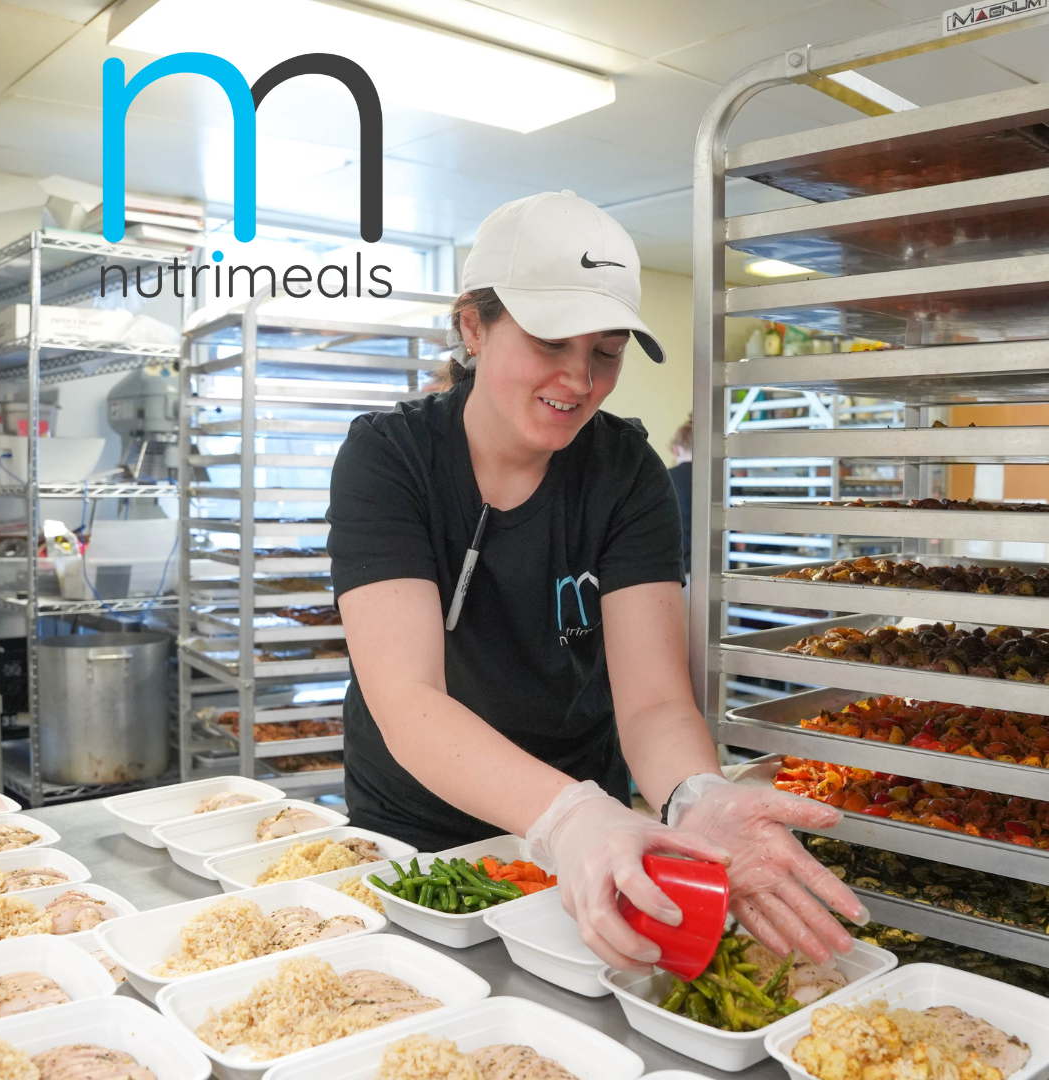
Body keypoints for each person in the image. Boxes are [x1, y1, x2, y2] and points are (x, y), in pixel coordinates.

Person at [327, 191, 867, 972]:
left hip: (595, 842)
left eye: (606, 352)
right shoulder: (390, 459)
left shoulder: (625, 474)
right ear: (473, 327)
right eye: (551, 342)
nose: (579, 379)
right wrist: (567, 814)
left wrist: (694, 796)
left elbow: (653, 701)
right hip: (418, 831)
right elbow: (407, 700)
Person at [668, 416, 693, 578]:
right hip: (720, 566)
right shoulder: (723, 478)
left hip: (679, 568)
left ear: (676, 449)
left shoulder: (663, 478)